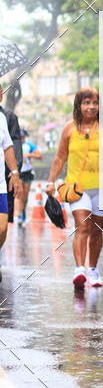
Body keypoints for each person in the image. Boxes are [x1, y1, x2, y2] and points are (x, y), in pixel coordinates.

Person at [46, 88, 103, 288]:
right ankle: (79, 269)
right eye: (86, 103)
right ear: (79, 105)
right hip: (77, 187)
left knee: (97, 230)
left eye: (94, 103)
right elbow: (60, 157)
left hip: (102, 187)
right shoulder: (69, 129)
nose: (91, 107)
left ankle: (93, 270)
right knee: (83, 226)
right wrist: (51, 181)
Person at [0, 108, 23, 281]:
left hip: (0, 183)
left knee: (2, 228)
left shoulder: (4, 118)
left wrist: (15, 173)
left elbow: (9, 146)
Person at [0, 84, 23, 226]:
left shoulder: (8, 117)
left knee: (3, 225)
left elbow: (14, 144)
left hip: (4, 175)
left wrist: (15, 171)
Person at [15, 128, 42, 225]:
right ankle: (18, 216)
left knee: (25, 196)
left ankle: (23, 213)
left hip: (27, 172)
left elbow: (39, 156)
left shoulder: (29, 145)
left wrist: (29, 154)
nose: (21, 138)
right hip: (18, 173)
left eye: (22, 136)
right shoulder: (13, 144)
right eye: (19, 136)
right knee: (19, 194)